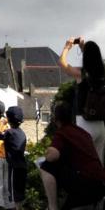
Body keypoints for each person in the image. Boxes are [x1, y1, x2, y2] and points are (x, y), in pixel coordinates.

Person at [39, 101, 105, 210]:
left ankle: (52, 206)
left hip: (85, 185)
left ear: (56, 119)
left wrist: (47, 151)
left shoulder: (63, 133)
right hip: (99, 184)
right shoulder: (84, 133)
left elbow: (52, 156)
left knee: (46, 166)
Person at [60, 36, 105, 165]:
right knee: (99, 163)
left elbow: (62, 63)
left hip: (85, 123)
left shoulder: (81, 74)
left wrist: (67, 46)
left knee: (84, 163)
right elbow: (94, 59)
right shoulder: (102, 74)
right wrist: (84, 47)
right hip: (101, 124)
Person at [0, 106, 28, 210]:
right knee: (19, 196)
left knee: (14, 197)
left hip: (14, 168)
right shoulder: (22, 133)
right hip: (23, 167)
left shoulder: (9, 132)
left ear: (9, 119)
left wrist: (2, 123)